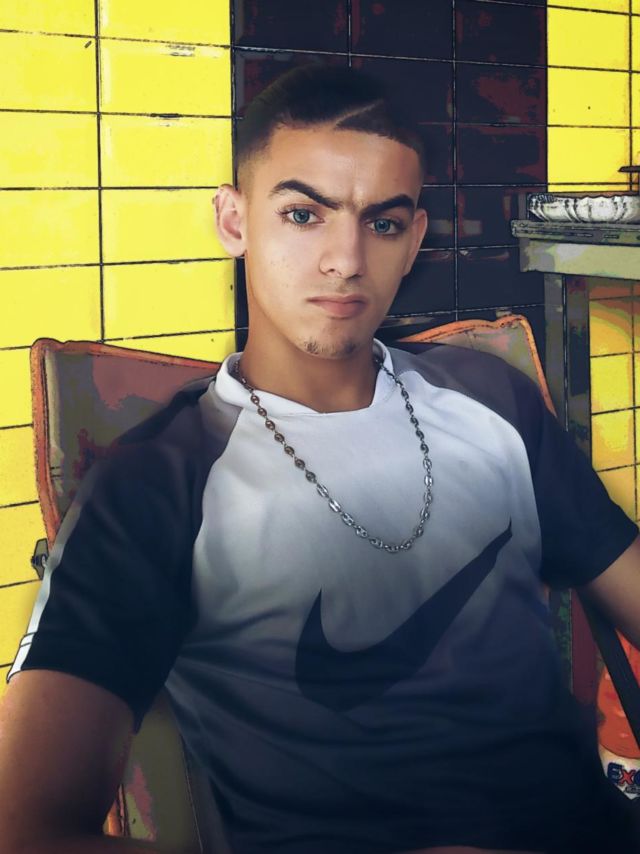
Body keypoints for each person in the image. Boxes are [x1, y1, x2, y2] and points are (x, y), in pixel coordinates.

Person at [0, 65, 639, 854]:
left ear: (415, 239)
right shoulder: (158, 484)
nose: (345, 260)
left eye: (384, 223)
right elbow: (25, 831)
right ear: (234, 221)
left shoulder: (490, 398)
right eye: (304, 214)